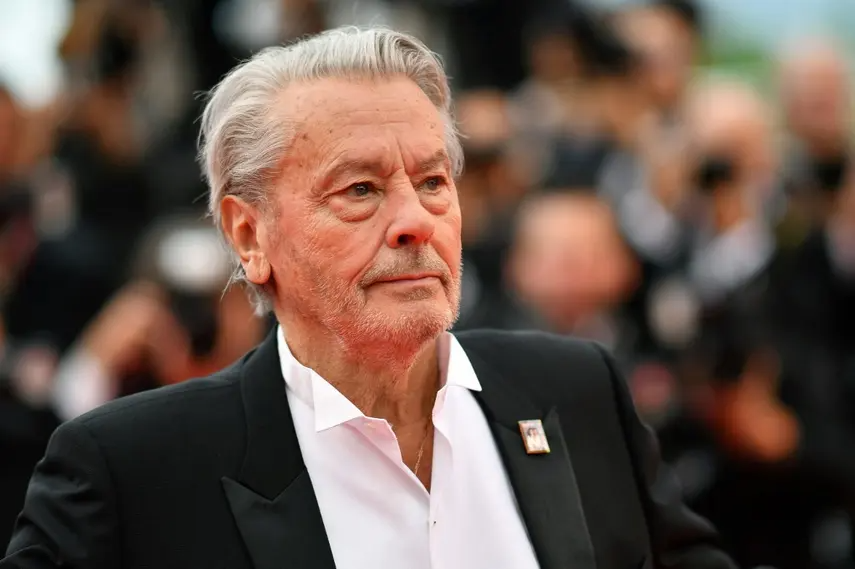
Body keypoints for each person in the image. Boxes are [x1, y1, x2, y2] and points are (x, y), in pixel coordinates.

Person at [3, 27, 735, 569]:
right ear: (249, 235)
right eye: (360, 189)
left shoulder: (576, 390)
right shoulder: (133, 469)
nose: (415, 220)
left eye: (433, 181)